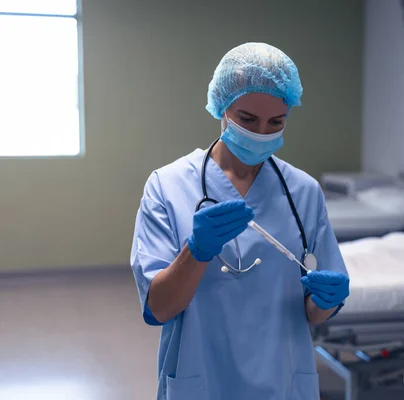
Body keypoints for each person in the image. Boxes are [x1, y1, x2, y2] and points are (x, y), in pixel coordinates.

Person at [129, 42, 350, 400]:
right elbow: (158, 308)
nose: (262, 132)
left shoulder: (303, 192)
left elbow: (313, 313)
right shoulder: (167, 186)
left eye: (276, 122)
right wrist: (196, 252)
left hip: (283, 380)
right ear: (221, 108)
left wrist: (326, 301)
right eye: (247, 119)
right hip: (201, 377)